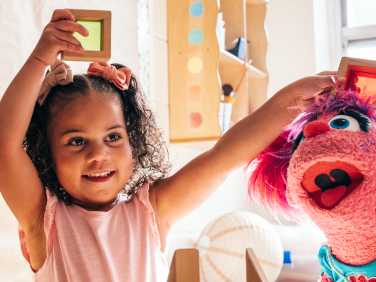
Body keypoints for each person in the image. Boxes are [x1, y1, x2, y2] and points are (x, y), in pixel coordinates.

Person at [0, 9, 346, 282]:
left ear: (132, 142)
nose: (99, 154)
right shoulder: (43, 217)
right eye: (76, 141)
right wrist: (39, 59)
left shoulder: (151, 210)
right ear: (47, 153)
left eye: (113, 137)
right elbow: (5, 144)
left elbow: (223, 158)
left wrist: (292, 100)